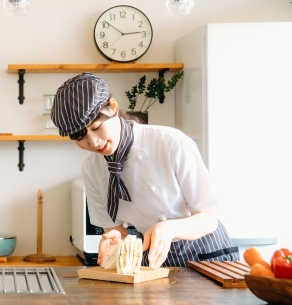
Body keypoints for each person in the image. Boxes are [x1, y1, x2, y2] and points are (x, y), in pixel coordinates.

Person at [51, 73, 238, 268]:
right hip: (154, 261)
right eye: (80, 138)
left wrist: (169, 229)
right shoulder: (91, 168)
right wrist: (117, 242)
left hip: (207, 256)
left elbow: (209, 219)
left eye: (97, 127)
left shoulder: (172, 143)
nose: (93, 142)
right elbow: (113, 228)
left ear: (113, 107)